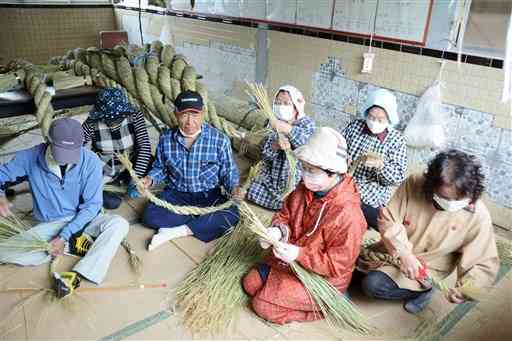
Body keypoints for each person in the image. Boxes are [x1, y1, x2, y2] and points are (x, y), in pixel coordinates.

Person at [242, 127, 367, 324]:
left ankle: (326, 305)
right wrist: (277, 230)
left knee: (262, 306)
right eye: (304, 168)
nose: (305, 175)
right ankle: (284, 292)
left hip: (324, 278)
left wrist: (299, 254)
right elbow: (285, 215)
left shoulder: (348, 214)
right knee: (250, 284)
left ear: (332, 172)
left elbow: (337, 264)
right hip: (291, 263)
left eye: (312, 170)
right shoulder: (305, 188)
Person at [0, 118, 129, 297]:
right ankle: (71, 244)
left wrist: (64, 235)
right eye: (61, 152)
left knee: (119, 224)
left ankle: (80, 272)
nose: (66, 159)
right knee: (4, 252)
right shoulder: (29, 157)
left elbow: (92, 206)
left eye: (72, 152)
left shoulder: (90, 161)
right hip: (53, 222)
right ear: (48, 140)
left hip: (85, 218)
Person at [360, 150, 499, 314]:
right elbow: (390, 219)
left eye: (458, 199)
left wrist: (467, 290)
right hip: (396, 251)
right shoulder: (414, 183)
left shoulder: (477, 215)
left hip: (430, 266)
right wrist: (404, 254)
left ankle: (424, 290)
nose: (451, 204)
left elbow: (483, 262)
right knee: (353, 264)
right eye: (445, 197)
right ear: (431, 185)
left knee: (372, 285)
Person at [140, 90, 242, 250]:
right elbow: (160, 168)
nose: (189, 121)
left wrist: (235, 188)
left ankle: (176, 231)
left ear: (203, 114)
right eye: (184, 114)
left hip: (208, 195)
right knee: (149, 216)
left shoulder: (219, 140)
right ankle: (202, 222)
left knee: (233, 214)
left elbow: (228, 172)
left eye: (194, 114)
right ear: (176, 114)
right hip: (176, 195)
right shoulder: (166, 139)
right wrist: (150, 179)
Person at [342, 88, 407, 229]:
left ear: (389, 118)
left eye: (380, 119)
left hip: (370, 197)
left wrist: (381, 165)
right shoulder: (355, 127)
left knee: (352, 215)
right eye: (371, 117)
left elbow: (398, 177)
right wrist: (342, 157)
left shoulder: (396, 140)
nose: (374, 122)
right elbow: (338, 145)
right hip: (344, 184)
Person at [246, 85, 315, 210]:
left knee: (298, 201)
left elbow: (307, 144)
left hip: (295, 184)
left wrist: (287, 129)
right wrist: (275, 146)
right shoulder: (273, 122)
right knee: (251, 190)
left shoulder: (307, 124)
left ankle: (290, 205)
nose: (281, 106)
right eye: (278, 103)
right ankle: (285, 206)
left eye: (286, 103)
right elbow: (265, 155)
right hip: (272, 180)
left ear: (296, 105)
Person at [82, 87, 152, 209]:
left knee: (151, 162)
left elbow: (144, 146)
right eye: (110, 119)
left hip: (130, 163)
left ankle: (126, 181)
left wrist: (136, 179)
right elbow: (77, 147)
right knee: (111, 202)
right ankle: (112, 185)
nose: (115, 123)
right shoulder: (91, 123)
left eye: (119, 118)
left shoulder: (135, 115)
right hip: (106, 167)